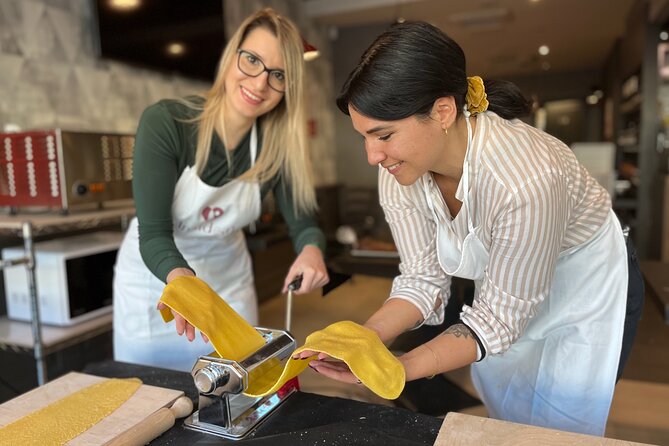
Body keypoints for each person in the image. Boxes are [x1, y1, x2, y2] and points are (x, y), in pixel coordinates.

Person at [298, 21, 643, 436]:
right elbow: (423, 280)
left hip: (583, 284)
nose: (372, 155)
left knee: (561, 430)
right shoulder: (399, 170)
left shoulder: (525, 178)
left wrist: (397, 369)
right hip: (509, 288)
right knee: (511, 415)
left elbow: (497, 319)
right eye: (364, 137)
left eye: (383, 135)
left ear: (443, 111)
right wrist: (366, 343)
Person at [114, 8, 329, 372]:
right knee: (153, 398)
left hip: (228, 286)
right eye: (252, 61)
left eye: (278, 75)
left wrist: (311, 250)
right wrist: (182, 283)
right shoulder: (168, 122)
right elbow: (152, 234)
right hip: (159, 285)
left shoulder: (278, 146)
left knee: (238, 387)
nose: (260, 84)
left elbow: (303, 223)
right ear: (232, 56)